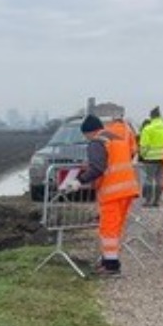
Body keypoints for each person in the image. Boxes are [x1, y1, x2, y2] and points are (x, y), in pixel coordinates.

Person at [63, 114, 140, 275]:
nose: (87, 139)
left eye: (86, 136)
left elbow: (98, 167)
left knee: (108, 229)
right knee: (115, 227)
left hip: (112, 191)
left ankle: (111, 266)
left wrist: (79, 181)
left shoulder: (97, 142)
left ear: (89, 132)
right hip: (128, 189)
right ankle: (108, 261)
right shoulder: (117, 139)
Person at [138, 106, 163, 207]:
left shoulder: (148, 129)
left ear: (151, 116)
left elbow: (144, 145)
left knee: (149, 179)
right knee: (160, 179)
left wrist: (143, 156)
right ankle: (157, 201)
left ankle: (148, 201)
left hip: (150, 158)